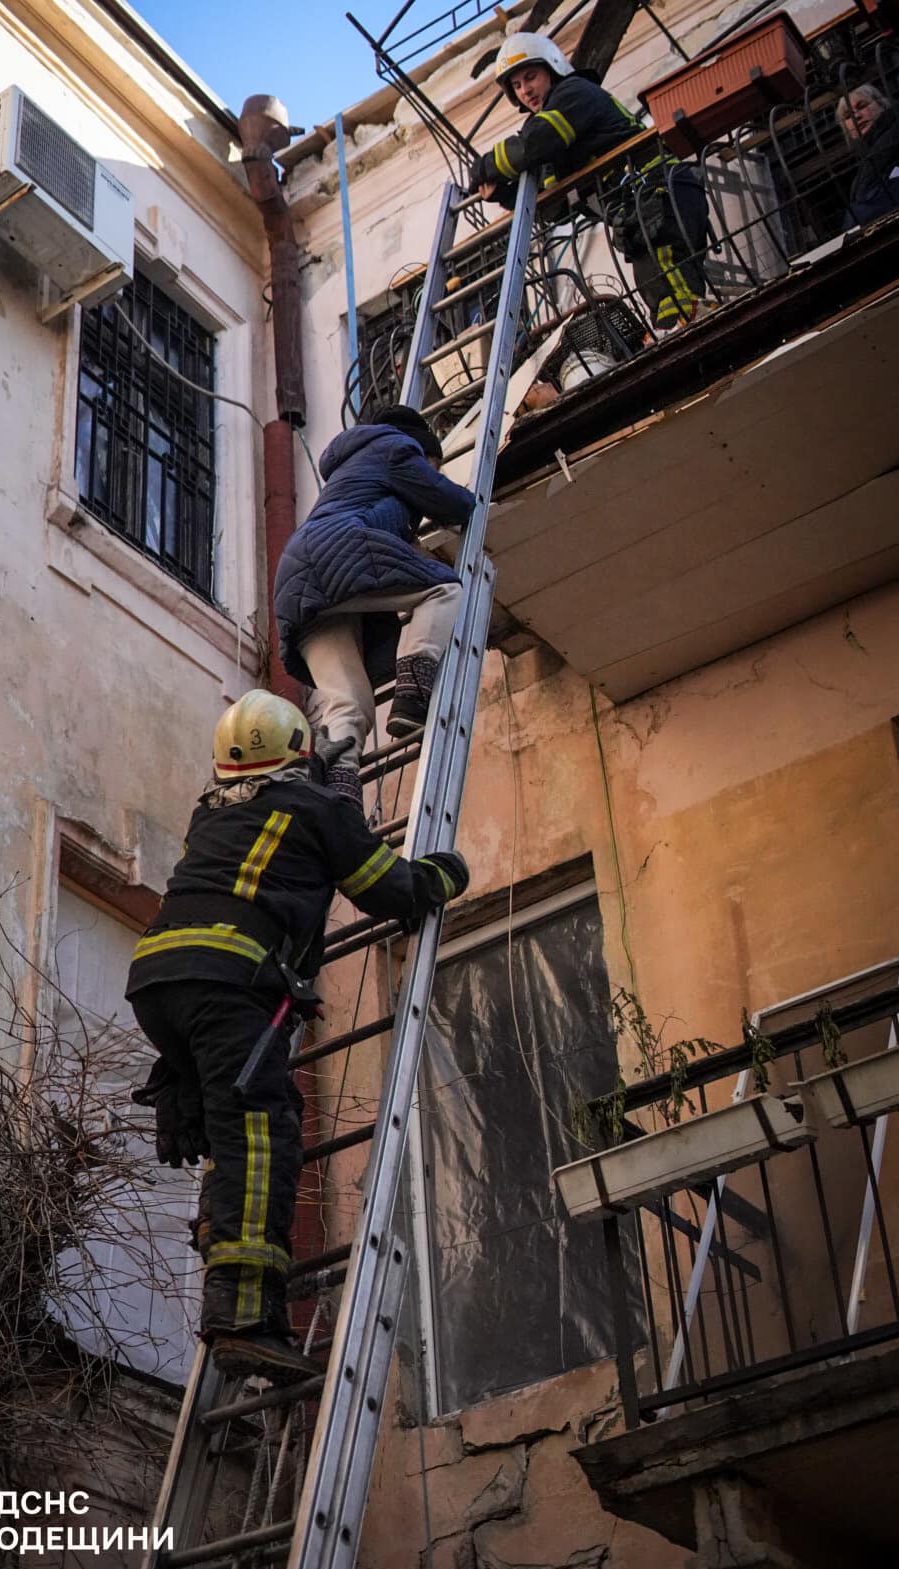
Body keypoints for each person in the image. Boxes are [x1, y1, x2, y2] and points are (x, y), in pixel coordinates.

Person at [125, 688, 470, 1384]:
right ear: (302, 756)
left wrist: (327, 796)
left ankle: (222, 1243)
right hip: (231, 979)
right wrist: (442, 873)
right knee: (261, 1128)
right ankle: (245, 1318)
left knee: (231, 1123)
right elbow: (388, 887)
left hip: (160, 979)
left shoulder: (209, 813)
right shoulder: (316, 809)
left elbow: (271, 840)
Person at [273, 405, 476, 808]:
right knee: (444, 591)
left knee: (349, 702)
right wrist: (473, 498)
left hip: (296, 581)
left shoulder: (352, 469)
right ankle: (412, 695)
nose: (431, 470)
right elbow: (451, 503)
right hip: (337, 550)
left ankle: (340, 799)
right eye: (433, 463)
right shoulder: (397, 446)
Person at [471, 32, 710, 331]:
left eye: (530, 77)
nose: (525, 91)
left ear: (552, 67)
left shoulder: (573, 93)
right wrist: (505, 195)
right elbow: (554, 206)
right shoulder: (555, 132)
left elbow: (532, 144)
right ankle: (679, 331)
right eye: (516, 86)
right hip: (643, 207)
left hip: (660, 192)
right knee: (661, 294)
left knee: (675, 299)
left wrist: (483, 167)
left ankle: (687, 333)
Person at [837, 83, 899, 228]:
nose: (857, 116)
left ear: (881, 104)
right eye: (848, 116)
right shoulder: (861, 170)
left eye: (862, 106)